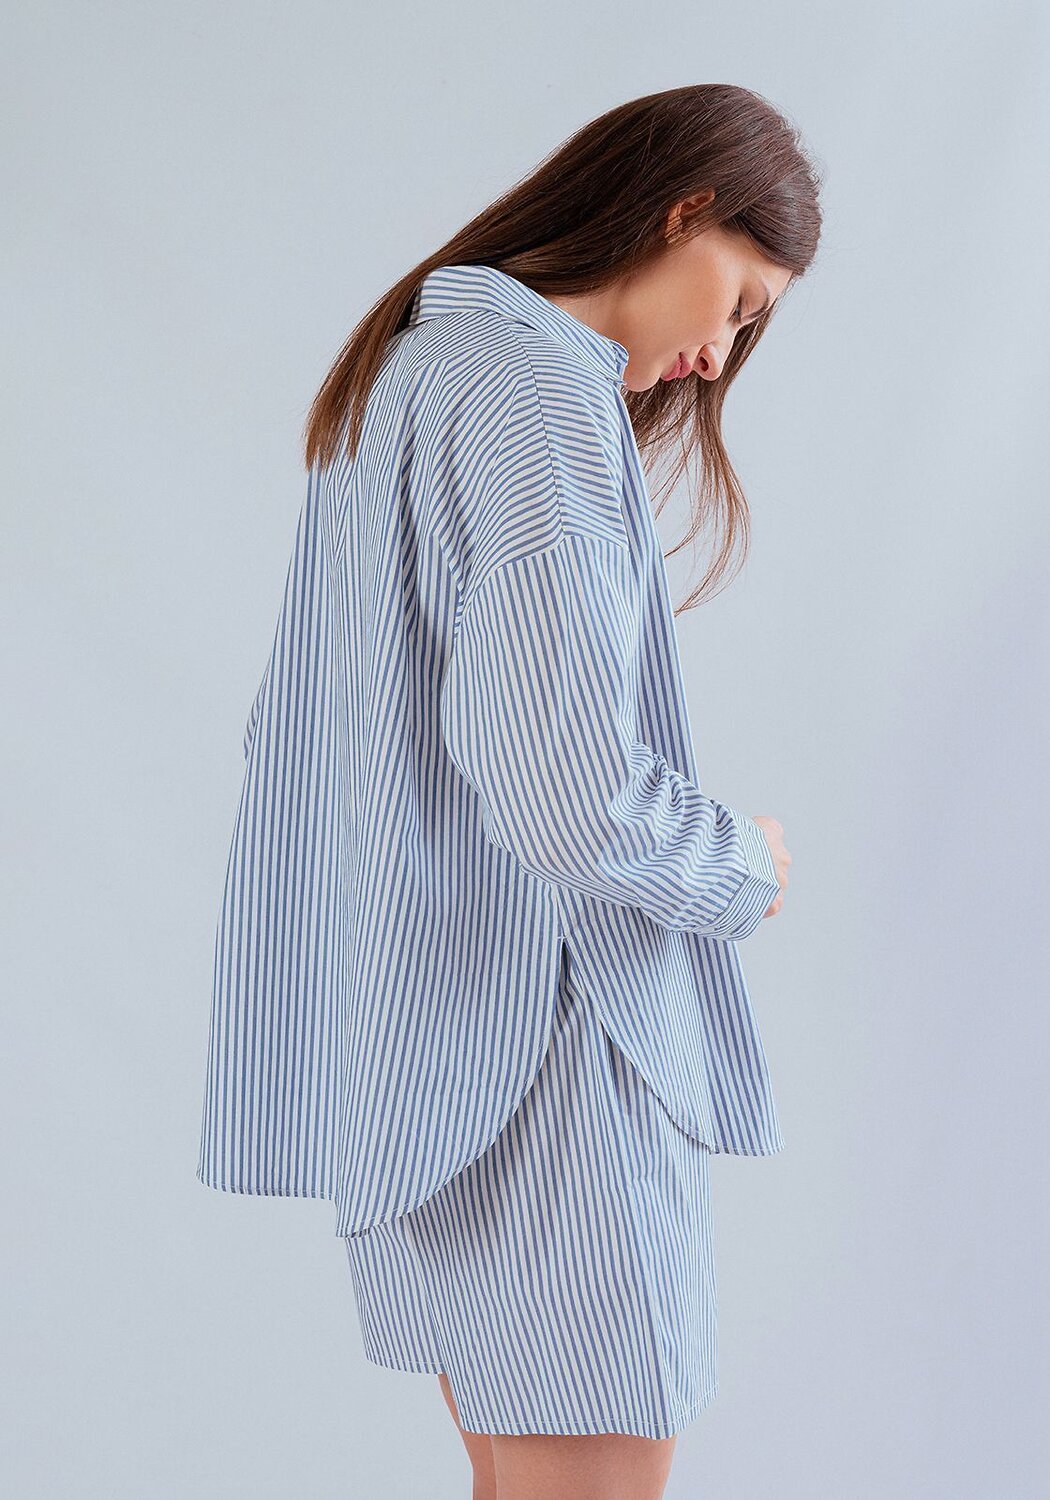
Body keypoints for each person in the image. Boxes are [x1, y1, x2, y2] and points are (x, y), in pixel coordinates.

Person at [197, 81, 820, 1500]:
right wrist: (742, 864)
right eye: (739, 301)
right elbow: (571, 793)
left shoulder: (423, 366)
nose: (721, 353)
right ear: (682, 210)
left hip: (434, 1050)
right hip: (547, 1055)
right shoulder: (538, 398)